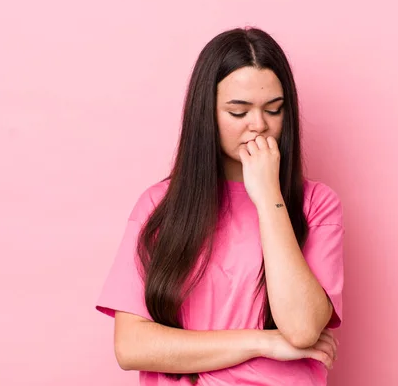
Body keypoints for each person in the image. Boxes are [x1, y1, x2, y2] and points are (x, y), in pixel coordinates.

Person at [95, 27, 345, 386]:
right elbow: (132, 346)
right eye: (238, 112)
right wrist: (263, 343)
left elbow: (303, 328)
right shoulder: (158, 206)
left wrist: (268, 197)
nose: (258, 126)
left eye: (273, 110)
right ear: (206, 114)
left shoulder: (317, 205)